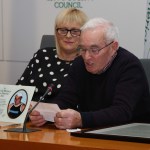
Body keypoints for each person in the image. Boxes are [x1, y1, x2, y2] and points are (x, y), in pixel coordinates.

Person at [30, 17, 150, 129]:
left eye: (94, 50)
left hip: (131, 134)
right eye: (82, 49)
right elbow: (66, 100)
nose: (87, 57)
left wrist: (82, 119)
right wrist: (48, 115)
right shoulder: (79, 64)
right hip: (91, 132)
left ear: (113, 47)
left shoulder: (129, 66)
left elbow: (121, 112)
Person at [16, 8, 88, 102]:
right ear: (56, 33)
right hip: (30, 112)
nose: (68, 36)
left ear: (84, 34)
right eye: (63, 30)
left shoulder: (86, 62)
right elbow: (20, 89)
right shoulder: (42, 55)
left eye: (75, 31)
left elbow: (85, 102)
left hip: (63, 115)